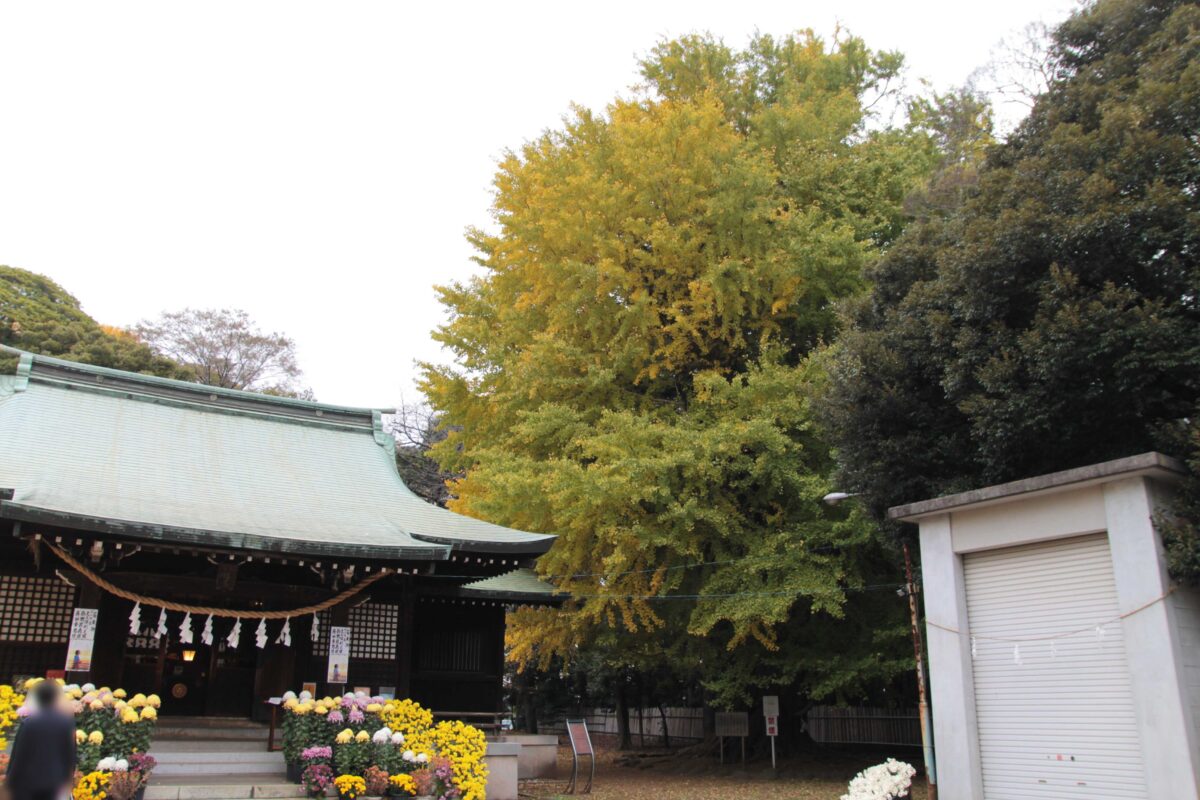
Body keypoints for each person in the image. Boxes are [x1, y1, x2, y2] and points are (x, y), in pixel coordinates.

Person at [5, 680, 76, 800]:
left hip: (30, 782)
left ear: (37, 699)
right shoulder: (67, 723)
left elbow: (19, 755)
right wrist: (69, 780)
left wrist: (9, 783)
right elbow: (70, 755)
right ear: (55, 699)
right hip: (56, 780)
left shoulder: (29, 723)